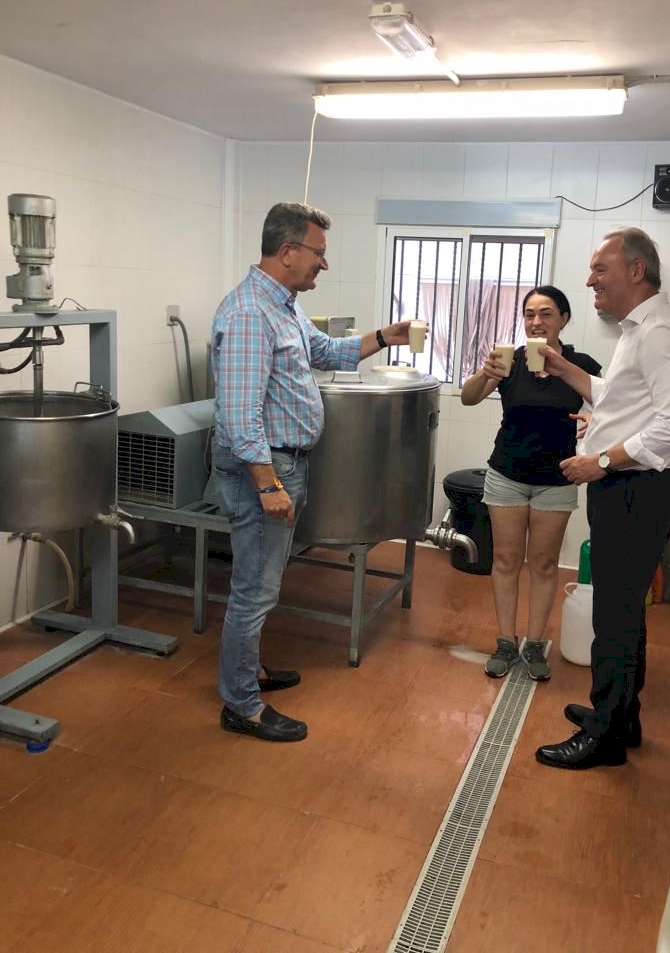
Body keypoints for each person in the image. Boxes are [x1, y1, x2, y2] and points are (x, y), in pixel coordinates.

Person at [210, 201, 412, 743]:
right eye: (318, 253)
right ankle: (241, 705)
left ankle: (248, 671)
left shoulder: (284, 306)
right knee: (254, 590)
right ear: (287, 251)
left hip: (284, 463)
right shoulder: (250, 313)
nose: (324, 263)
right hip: (265, 468)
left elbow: (324, 351)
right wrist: (267, 484)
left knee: (263, 583)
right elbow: (239, 415)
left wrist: (384, 337)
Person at [535, 227, 670, 770]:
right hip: (629, 490)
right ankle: (621, 717)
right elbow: (618, 396)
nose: (590, 280)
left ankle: (605, 738)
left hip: (634, 490)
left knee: (614, 616)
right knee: (624, 611)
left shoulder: (657, 332)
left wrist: (601, 461)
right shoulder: (640, 328)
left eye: (600, 269)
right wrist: (564, 369)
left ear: (636, 271)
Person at [461, 285, 601, 682]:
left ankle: (535, 643)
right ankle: (506, 641)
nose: (536, 322)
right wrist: (485, 372)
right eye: (529, 314)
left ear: (564, 319)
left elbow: (615, 403)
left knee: (543, 564)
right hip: (506, 474)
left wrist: (596, 419)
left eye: (546, 313)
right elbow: (468, 398)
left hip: (557, 478)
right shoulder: (510, 361)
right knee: (506, 561)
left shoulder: (579, 364)